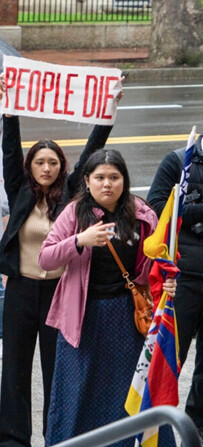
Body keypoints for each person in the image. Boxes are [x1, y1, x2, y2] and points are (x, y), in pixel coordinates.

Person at [40, 149, 176, 446]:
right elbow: (45, 258)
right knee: (78, 392)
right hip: (82, 318)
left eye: (114, 177)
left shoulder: (142, 214)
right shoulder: (75, 213)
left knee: (130, 389)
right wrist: (79, 240)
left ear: (124, 181)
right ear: (87, 181)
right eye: (99, 177)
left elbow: (157, 266)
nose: (107, 184)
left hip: (128, 319)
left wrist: (166, 285)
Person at [0, 113, 114, 447]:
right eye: (39, 162)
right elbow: (9, 151)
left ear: (62, 166)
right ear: (29, 166)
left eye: (52, 162)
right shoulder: (19, 190)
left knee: (56, 372)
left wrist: (107, 114)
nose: (46, 168)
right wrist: (9, 111)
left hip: (59, 293)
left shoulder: (73, 193)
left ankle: (57, 437)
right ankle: (13, 441)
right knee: (14, 370)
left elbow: (94, 148)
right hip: (20, 290)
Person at [147, 131, 203, 435]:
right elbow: (156, 207)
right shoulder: (177, 161)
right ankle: (155, 431)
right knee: (168, 359)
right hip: (182, 278)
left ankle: (196, 432)